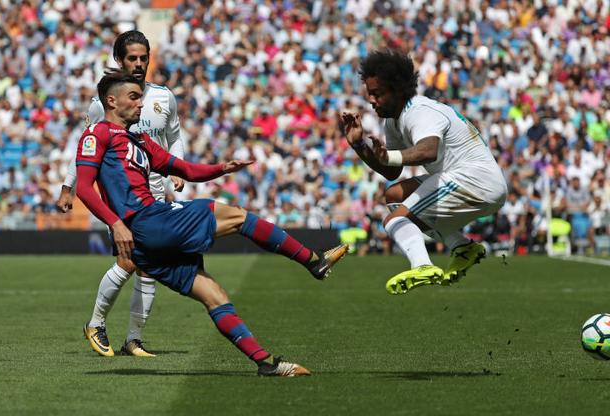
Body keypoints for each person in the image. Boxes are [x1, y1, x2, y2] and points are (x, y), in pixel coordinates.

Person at [75, 70, 348, 376]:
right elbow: (84, 187)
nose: (141, 104)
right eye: (134, 97)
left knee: (213, 294)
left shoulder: (140, 141)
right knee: (237, 215)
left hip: (145, 246)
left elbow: (185, 169)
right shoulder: (97, 134)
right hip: (146, 222)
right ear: (111, 101)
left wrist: (221, 168)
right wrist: (116, 223)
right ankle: (313, 261)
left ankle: (265, 364)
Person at [56, 31, 185, 357]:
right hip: (124, 196)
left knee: (147, 265)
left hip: (156, 192)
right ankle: (97, 323)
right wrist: (69, 186)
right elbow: (86, 146)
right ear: (119, 60)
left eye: (144, 57)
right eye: (132, 58)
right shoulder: (105, 103)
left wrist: (179, 169)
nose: (139, 64)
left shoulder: (163, 97)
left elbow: (174, 137)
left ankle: (132, 339)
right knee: (129, 260)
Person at [339, 49, 507, 295]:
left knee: (395, 220)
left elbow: (428, 151)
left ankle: (422, 265)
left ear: (396, 90)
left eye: (377, 94)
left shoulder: (419, 110)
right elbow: (392, 171)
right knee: (394, 196)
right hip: (462, 179)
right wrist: (359, 145)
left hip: (475, 181)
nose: (372, 101)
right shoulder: (394, 120)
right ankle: (462, 247)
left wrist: (389, 155)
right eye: (370, 94)